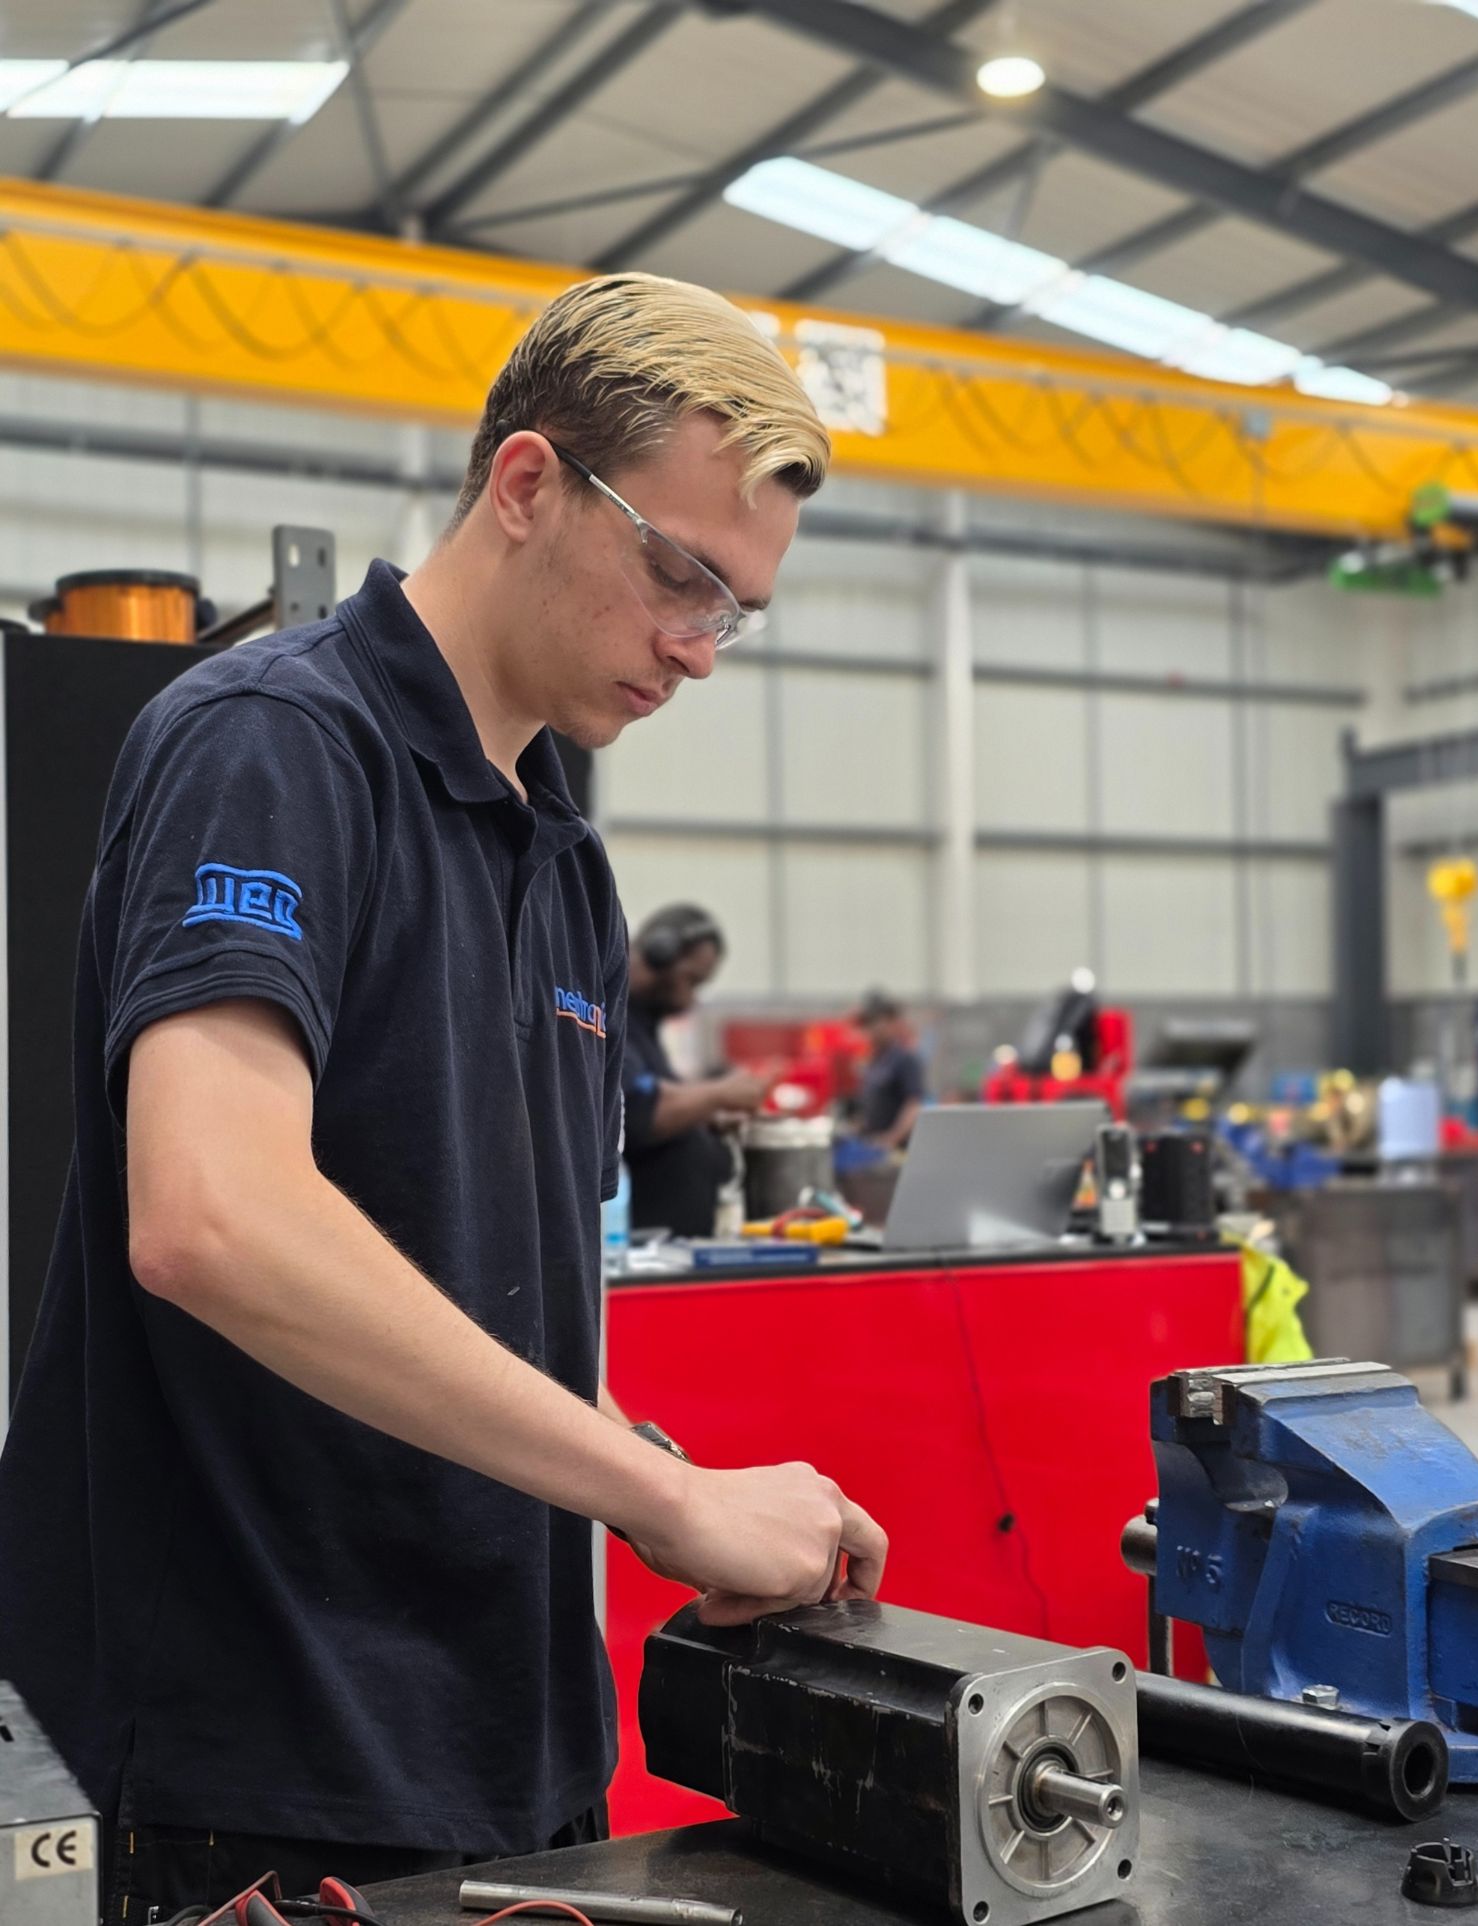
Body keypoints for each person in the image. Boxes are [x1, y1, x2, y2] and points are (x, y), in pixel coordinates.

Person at [0, 272, 888, 1919]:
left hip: (501, 1756)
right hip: (259, 1768)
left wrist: (679, 1496)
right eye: (681, 575)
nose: (701, 649)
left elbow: (482, 1285)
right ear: (531, 484)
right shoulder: (274, 748)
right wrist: (667, 1494)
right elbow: (211, 1218)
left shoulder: (561, 854)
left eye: (736, 609)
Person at [622, 904, 771, 1237]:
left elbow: (661, 1095)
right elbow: (637, 1112)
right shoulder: (610, 1019)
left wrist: (707, 1114)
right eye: (690, 980)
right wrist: (721, 1093)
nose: (691, 999)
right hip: (639, 1251)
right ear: (659, 954)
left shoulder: (644, 1026)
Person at [853, 991, 927, 1151]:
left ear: (893, 1023)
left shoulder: (904, 1059)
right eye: (868, 1024)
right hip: (872, 1145)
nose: (871, 1029)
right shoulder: (875, 1060)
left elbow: (914, 1104)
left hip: (895, 1150)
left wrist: (891, 1138)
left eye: (876, 1022)